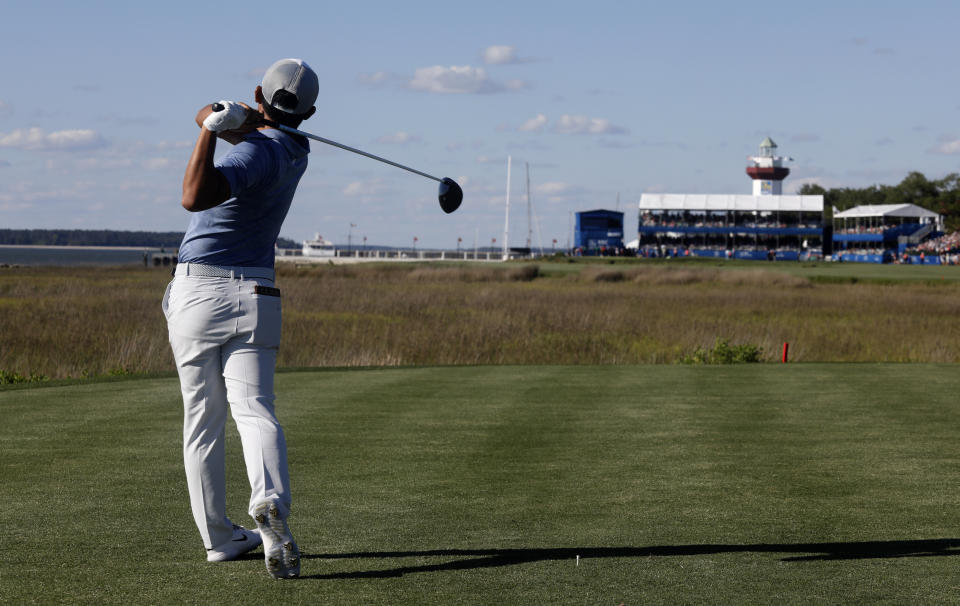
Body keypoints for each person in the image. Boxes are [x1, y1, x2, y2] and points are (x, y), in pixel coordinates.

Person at [162, 58, 319, 580]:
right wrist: (223, 117)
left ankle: (217, 537)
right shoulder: (294, 151)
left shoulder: (253, 151)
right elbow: (215, 119)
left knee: (202, 422)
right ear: (311, 112)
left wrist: (211, 130)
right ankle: (269, 507)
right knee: (255, 410)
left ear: (259, 93)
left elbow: (193, 196)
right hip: (257, 293)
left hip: (199, 293)